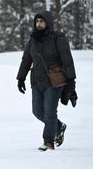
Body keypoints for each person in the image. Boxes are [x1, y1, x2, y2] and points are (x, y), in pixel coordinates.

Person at [16, 11, 77, 151]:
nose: (39, 24)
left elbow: (67, 61)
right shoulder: (33, 40)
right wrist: (21, 78)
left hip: (54, 81)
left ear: (48, 22)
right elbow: (26, 60)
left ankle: (48, 142)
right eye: (37, 21)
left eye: (41, 21)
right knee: (37, 111)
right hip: (37, 81)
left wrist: (71, 82)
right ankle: (59, 126)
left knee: (50, 112)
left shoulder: (58, 38)